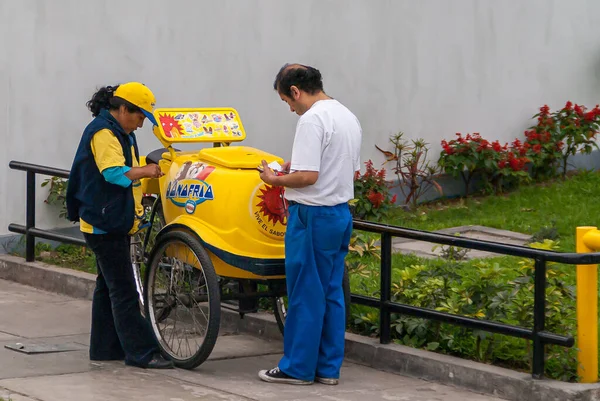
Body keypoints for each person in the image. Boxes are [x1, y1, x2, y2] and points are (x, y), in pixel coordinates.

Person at [258, 64, 362, 385]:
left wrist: (275, 178)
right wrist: (297, 169)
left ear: (295, 91)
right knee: (331, 292)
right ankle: (328, 368)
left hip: (312, 216)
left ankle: (297, 368)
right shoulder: (347, 116)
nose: (290, 109)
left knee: (304, 292)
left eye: (287, 101)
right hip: (339, 214)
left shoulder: (312, 119)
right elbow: (344, 168)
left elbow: (308, 177)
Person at [66, 82, 174, 369]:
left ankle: (104, 348)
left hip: (109, 221)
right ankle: (142, 353)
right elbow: (114, 173)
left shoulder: (119, 131)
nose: (140, 124)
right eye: (139, 116)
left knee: (108, 287)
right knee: (124, 290)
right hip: (105, 225)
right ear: (123, 109)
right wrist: (147, 170)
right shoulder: (104, 133)